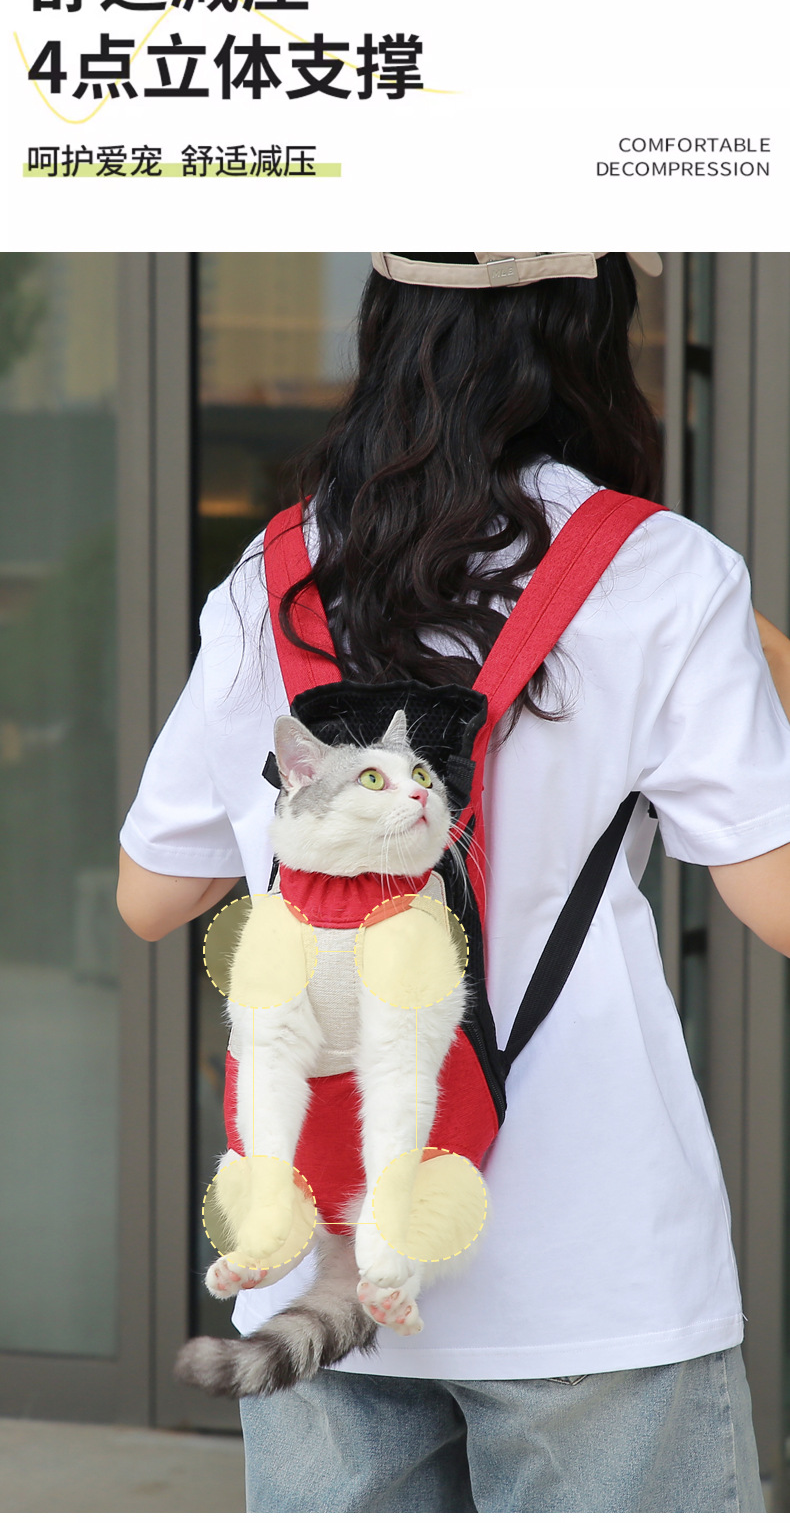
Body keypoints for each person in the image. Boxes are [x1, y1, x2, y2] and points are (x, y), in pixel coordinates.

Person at [117, 251, 790, 1513]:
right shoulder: (662, 572)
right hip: (589, 1261)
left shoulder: (273, 576)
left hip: (316, 1256)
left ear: (383, 325)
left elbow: (150, 899)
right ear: (592, 332)